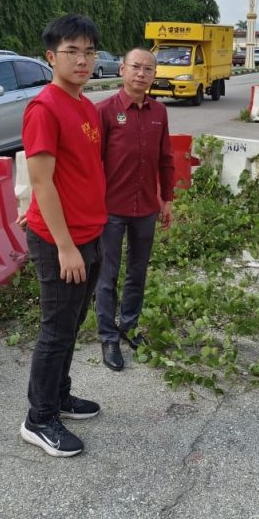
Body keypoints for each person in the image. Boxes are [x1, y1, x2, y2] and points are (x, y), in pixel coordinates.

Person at [19, 14, 106, 457]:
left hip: (90, 234)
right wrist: (66, 246)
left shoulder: (84, 105)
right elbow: (42, 182)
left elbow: (73, 174)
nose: (82, 59)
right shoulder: (45, 107)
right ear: (51, 57)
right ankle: (39, 418)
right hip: (62, 244)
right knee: (55, 329)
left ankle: (59, 395)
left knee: (71, 325)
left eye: (89, 51)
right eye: (72, 51)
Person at [95, 47, 174, 371]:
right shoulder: (105, 111)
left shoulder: (159, 112)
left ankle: (128, 325)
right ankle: (108, 337)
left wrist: (166, 199)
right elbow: (93, 163)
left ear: (154, 75)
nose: (142, 74)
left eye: (148, 70)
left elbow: (165, 159)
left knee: (137, 272)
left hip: (145, 208)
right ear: (123, 70)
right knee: (107, 274)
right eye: (136, 68)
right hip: (110, 208)